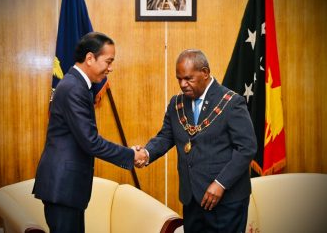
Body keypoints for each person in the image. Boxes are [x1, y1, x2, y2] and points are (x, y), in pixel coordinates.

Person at [33, 32, 147, 233]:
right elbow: (91, 142)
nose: (111, 68)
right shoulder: (74, 88)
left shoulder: (77, 85)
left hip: (68, 187)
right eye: (108, 61)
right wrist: (131, 155)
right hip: (63, 187)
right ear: (90, 58)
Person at [135, 49, 257, 233]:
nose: (183, 84)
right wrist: (146, 152)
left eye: (188, 78)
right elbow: (165, 136)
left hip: (226, 200)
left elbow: (247, 148)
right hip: (191, 198)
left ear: (205, 73)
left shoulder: (231, 102)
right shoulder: (176, 103)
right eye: (179, 79)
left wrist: (221, 184)